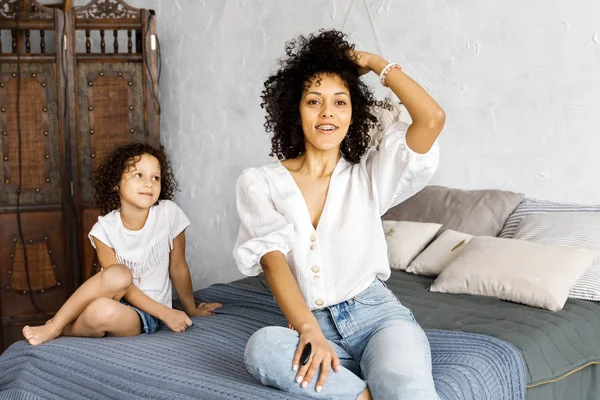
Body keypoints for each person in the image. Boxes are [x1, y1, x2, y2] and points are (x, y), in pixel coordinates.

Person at [233, 29, 444, 399]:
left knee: (405, 387)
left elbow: (431, 119)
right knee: (262, 347)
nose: (327, 112)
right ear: (294, 110)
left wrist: (376, 64)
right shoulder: (259, 182)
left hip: (378, 319)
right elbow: (273, 262)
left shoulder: (369, 174)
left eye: (340, 102)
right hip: (310, 325)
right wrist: (308, 329)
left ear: (353, 114)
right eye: (314, 101)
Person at [22, 142, 221, 345]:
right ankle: (54, 326)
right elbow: (119, 285)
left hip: (145, 315)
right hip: (118, 298)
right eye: (139, 175)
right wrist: (168, 313)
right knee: (118, 275)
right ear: (116, 182)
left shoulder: (169, 213)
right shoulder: (104, 229)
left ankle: (67, 330)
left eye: (156, 177)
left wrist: (190, 309)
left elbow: (178, 267)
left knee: (101, 311)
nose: (149, 183)